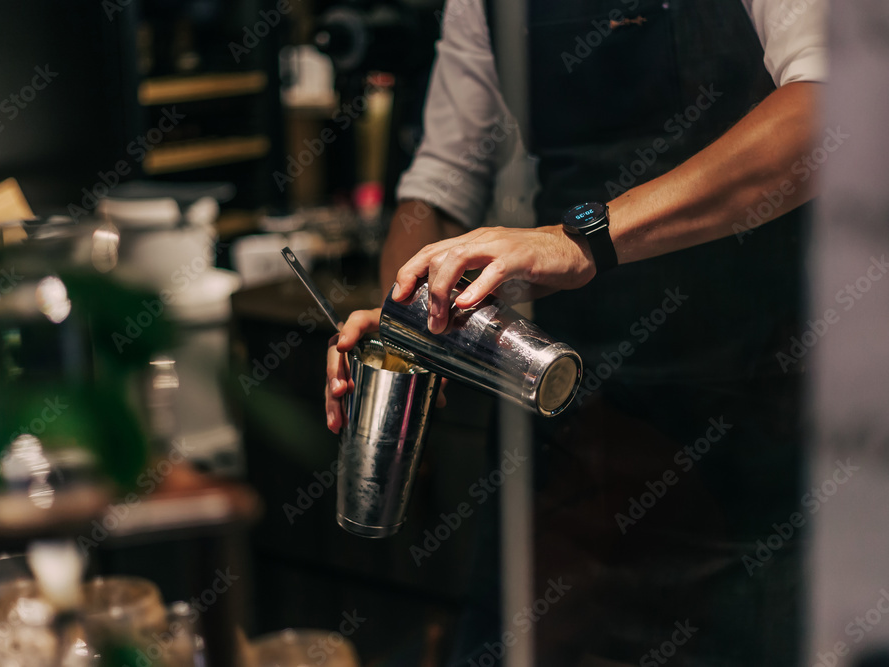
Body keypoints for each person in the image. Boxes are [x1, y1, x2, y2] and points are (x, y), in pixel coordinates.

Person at [326, 0, 827, 664]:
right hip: (571, 426)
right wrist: (404, 317)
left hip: (753, 439)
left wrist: (584, 239)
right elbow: (441, 183)